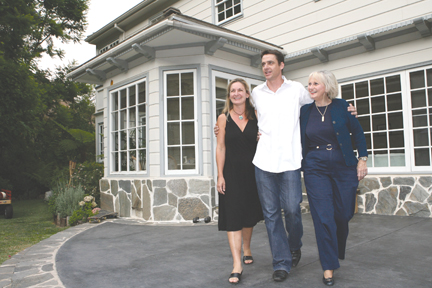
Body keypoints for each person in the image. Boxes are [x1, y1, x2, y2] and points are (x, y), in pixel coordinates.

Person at [214, 50, 356, 282]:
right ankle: (281, 262)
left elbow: (323, 102)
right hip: (263, 161)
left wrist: (346, 110)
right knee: (271, 214)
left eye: (271, 63)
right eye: (263, 64)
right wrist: (221, 126)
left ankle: (294, 244)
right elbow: (240, 112)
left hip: (290, 160)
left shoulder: (297, 90)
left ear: (281, 65)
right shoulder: (257, 93)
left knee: (291, 209)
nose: (266, 67)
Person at [300, 70, 367, 286]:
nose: (310, 87)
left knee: (344, 213)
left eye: (315, 83)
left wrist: (362, 159)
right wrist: (260, 133)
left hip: (343, 164)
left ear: (327, 86)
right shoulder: (304, 111)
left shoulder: (341, 106)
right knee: (323, 217)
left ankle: (334, 249)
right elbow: (281, 124)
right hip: (315, 166)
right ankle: (328, 266)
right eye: (309, 84)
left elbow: (357, 133)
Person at [216, 78, 264, 285]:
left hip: (253, 173)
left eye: (240, 90)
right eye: (232, 91)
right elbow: (221, 147)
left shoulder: (257, 116)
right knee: (233, 217)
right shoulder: (223, 118)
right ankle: (237, 264)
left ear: (246, 94)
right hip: (231, 174)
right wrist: (220, 175)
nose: (236, 93)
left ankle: (247, 248)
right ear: (229, 96)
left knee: (248, 215)